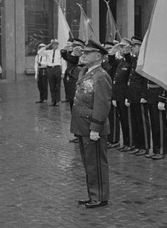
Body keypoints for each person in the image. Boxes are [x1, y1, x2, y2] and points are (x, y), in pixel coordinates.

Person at [71, 40, 113, 209]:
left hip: (92, 126)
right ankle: (92, 194)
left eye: (87, 53)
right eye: (84, 53)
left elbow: (102, 103)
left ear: (98, 56)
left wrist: (96, 127)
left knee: (96, 163)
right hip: (82, 126)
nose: (84, 55)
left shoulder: (101, 76)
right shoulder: (85, 72)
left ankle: (100, 197)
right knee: (89, 163)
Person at [126, 37, 148, 156]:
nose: (132, 48)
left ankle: (144, 146)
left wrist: (144, 95)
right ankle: (137, 145)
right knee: (135, 121)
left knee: (142, 122)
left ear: (140, 47)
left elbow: (145, 79)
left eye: (134, 46)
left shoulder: (143, 60)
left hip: (140, 94)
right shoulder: (135, 59)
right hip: (133, 94)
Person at [111, 41, 134, 151]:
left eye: (123, 48)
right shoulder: (121, 61)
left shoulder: (129, 62)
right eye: (120, 48)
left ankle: (130, 143)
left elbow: (129, 81)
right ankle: (125, 142)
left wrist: (127, 97)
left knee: (127, 121)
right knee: (123, 121)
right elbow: (111, 61)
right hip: (119, 95)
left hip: (125, 95)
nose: (121, 50)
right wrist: (113, 50)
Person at [46, 39, 62, 106]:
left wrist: (63, 72)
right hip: (50, 69)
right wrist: (47, 45)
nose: (54, 45)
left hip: (57, 68)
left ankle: (57, 100)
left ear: (58, 45)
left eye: (56, 44)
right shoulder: (48, 52)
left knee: (57, 85)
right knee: (51, 85)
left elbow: (63, 62)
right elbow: (39, 52)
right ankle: (53, 101)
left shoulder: (60, 52)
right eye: (53, 44)